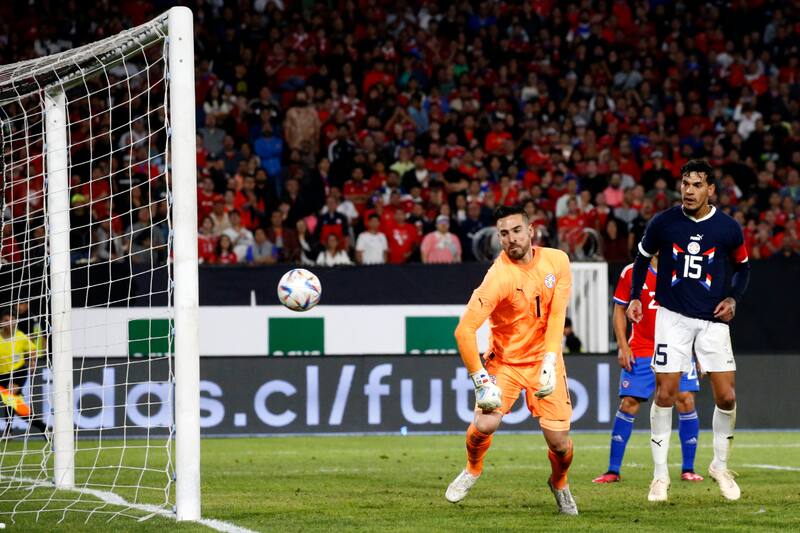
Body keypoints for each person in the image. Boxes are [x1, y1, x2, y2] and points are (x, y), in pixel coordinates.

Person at [627, 160, 750, 502]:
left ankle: (720, 466)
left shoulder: (727, 228)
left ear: (711, 189)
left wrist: (734, 298)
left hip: (712, 320)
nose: (689, 190)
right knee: (665, 394)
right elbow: (641, 259)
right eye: (685, 183)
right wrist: (636, 296)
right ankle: (659, 475)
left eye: (697, 184)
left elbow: (743, 268)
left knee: (726, 397)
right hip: (673, 317)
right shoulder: (664, 222)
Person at [445, 205, 577, 516]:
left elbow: (557, 315)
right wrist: (480, 380)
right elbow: (464, 331)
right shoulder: (499, 276)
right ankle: (472, 468)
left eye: (516, 230)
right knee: (484, 423)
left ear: (531, 231)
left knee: (559, 443)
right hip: (505, 363)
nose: (511, 238)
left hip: (544, 359)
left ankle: (560, 484)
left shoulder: (557, 261)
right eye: (503, 234)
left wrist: (548, 360)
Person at [593, 255, 702, 484]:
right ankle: (613, 470)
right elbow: (619, 310)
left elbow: (696, 312)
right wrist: (623, 346)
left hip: (677, 347)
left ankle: (688, 469)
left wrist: (699, 350)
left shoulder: (684, 270)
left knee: (685, 400)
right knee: (628, 403)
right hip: (642, 348)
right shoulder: (631, 272)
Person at [0, 308, 47, 436]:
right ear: (1, 322)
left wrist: (32, 362)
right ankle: (45, 428)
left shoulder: (20, 337)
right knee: (19, 409)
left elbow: (32, 350)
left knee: (10, 398)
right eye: (6, 320)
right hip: (2, 376)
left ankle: (8, 430)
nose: (10, 322)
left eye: (13, 319)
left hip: (18, 373)